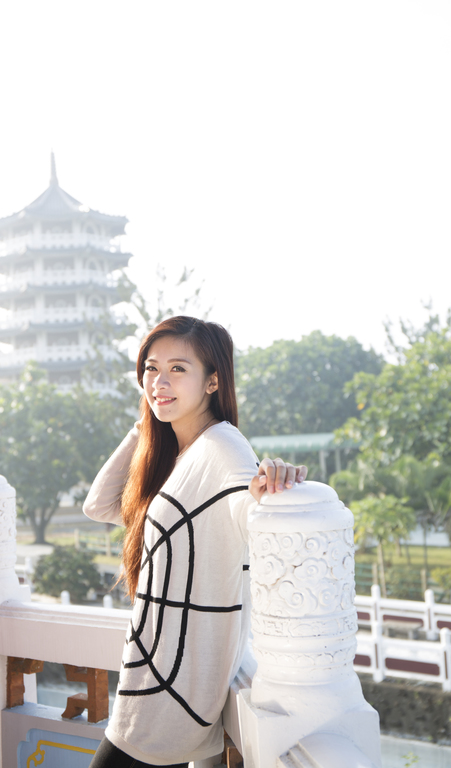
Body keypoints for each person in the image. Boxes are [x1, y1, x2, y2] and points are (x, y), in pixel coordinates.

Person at [84, 316, 307, 768]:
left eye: (178, 369)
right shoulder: (181, 453)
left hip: (172, 691)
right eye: (151, 369)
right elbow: (101, 505)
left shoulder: (223, 445)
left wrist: (269, 487)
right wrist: (146, 423)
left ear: (212, 381)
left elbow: (250, 513)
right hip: (149, 677)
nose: (159, 381)